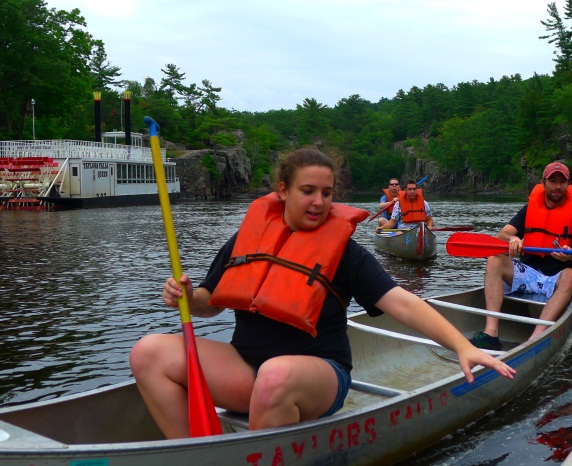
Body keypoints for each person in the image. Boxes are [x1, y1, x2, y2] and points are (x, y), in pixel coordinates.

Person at [129, 148, 515, 438]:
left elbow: (402, 302)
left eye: (327, 193)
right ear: (282, 191)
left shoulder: (344, 252)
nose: (318, 202)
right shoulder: (246, 240)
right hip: (248, 369)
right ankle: (200, 456)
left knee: (276, 376)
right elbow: (208, 303)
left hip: (318, 377)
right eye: (308, 191)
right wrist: (186, 296)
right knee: (148, 352)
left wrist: (461, 346)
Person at [471, 162, 572, 350]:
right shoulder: (529, 209)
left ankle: (535, 339)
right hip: (529, 273)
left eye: (562, 182)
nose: (557, 186)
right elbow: (501, 236)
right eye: (552, 181)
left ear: (568, 184)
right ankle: (491, 334)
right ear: (543, 182)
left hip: (558, 277)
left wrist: (571, 254)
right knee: (494, 260)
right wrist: (513, 238)